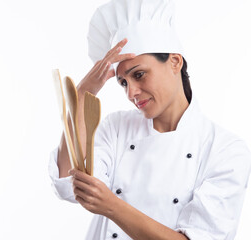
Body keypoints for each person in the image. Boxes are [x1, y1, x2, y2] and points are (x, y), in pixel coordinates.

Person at [48, 0, 251, 239]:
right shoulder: (116, 128)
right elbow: (68, 180)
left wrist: (112, 205)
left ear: (175, 61)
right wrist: (82, 94)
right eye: (123, 82)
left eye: (139, 74)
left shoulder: (225, 150)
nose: (131, 93)